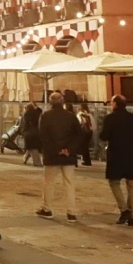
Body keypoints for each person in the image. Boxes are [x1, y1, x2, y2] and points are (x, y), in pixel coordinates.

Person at [100, 95, 133, 226]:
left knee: (114, 182)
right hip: (132, 155)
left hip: (116, 155)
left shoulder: (110, 118)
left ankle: (124, 209)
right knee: (132, 185)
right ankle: (132, 214)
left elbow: (104, 136)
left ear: (114, 104)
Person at [36, 93, 80, 222]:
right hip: (68, 156)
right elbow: (78, 135)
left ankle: (47, 208)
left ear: (50, 102)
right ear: (63, 101)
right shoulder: (71, 116)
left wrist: (56, 150)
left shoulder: (45, 116)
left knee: (49, 182)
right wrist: (69, 149)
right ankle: (71, 212)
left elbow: (43, 135)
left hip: (52, 154)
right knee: (69, 183)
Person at [77, 103, 95, 167]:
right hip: (90, 132)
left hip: (83, 132)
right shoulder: (89, 114)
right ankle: (87, 160)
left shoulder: (80, 114)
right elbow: (93, 124)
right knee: (85, 146)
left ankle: (87, 161)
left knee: (84, 147)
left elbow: (79, 123)